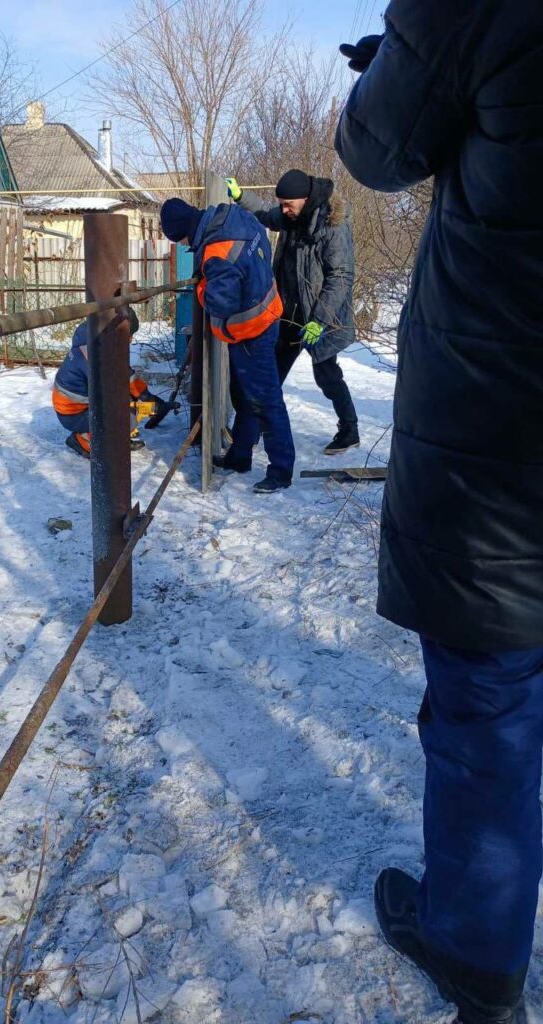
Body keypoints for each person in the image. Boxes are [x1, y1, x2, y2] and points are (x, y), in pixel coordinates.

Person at [335, 3, 543, 1023]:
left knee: (489, 711)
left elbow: (375, 146)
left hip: (502, 448)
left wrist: (408, 57)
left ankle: (476, 954)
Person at [160, 196, 295, 493]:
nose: (184, 245)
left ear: (183, 231)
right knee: (245, 395)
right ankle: (240, 455)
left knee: (266, 400)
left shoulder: (215, 251)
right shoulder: (236, 217)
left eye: (181, 240)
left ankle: (281, 471)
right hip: (268, 311)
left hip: (252, 330)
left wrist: (202, 287)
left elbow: (221, 303)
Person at [225, 169, 359, 455]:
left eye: (289, 204)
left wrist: (319, 321)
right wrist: (240, 197)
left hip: (320, 317)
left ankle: (349, 429)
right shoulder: (291, 217)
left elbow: (342, 276)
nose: (284, 210)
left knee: (327, 375)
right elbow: (263, 213)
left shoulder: (332, 226)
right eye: (282, 204)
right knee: (269, 375)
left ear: (306, 199)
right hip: (288, 316)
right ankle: (255, 431)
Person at [51, 310, 171, 460]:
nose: (130, 340)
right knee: (125, 416)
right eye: (128, 334)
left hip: (78, 406)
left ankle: (115, 438)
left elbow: (124, 374)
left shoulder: (94, 340)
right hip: (74, 414)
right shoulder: (93, 352)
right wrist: (142, 404)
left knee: (129, 404)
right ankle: (83, 441)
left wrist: (146, 395)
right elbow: (115, 383)